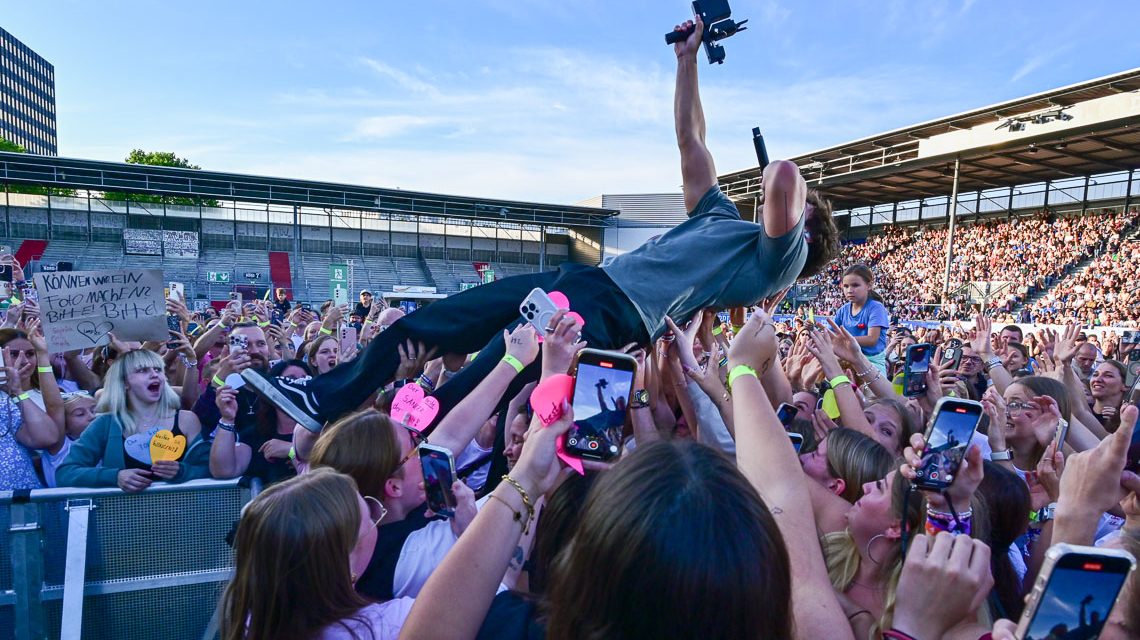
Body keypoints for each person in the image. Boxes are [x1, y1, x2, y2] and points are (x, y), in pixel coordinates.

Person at [242, 14, 841, 431]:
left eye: (802, 216)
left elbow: (783, 175)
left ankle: (407, 451)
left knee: (478, 384)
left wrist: (797, 196)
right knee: (436, 324)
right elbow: (692, 140)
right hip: (590, 285)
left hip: (611, 315)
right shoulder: (719, 219)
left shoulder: (775, 261)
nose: (788, 208)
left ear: (804, 238)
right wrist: (688, 62)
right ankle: (325, 398)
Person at [221, 468, 413, 640]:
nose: (375, 522)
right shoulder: (390, 624)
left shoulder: (251, 616)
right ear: (343, 563)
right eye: (371, 519)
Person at [56, 349, 208, 491]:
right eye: (143, 370)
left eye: (158, 369)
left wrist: (183, 471)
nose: (154, 375)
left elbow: (210, 468)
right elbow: (66, 473)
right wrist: (115, 476)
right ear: (124, 383)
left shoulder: (186, 420)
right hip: (125, 516)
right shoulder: (105, 424)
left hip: (184, 514)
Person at [832, 264, 890, 373]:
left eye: (855, 285)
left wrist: (843, 340)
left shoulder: (876, 307)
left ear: (868, 285)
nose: (850, 290)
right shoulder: (843, 310)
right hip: (847, 360)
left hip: (872, 363)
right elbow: (830, 334)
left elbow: (872, 339)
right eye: (846, 286)